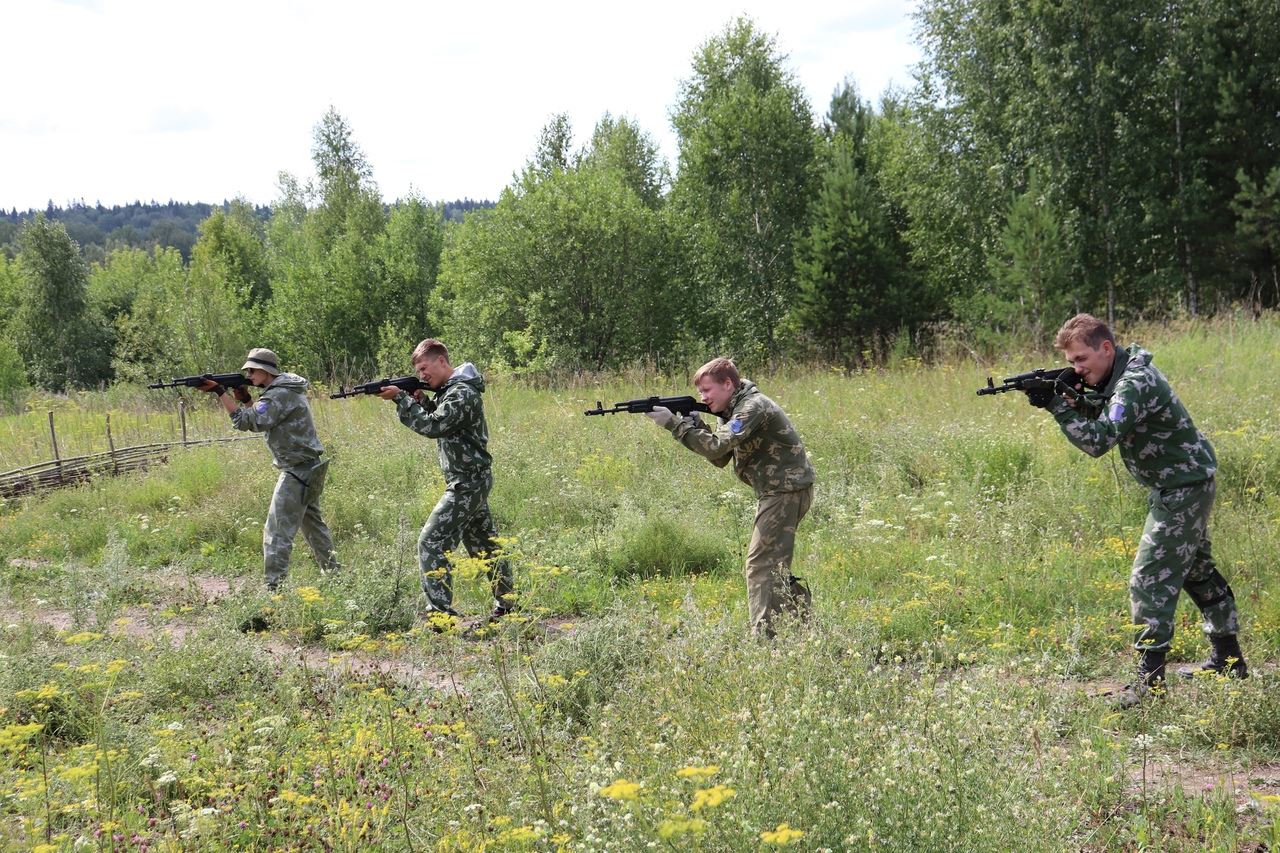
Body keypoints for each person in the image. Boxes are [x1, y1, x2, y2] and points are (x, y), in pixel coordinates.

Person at [1029, 314, 1247, 707]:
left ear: (1106, 348)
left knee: (1149, 578)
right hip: (1183, 483)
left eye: (1081, 359)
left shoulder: (1134, 383)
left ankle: (1150, 686)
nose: (1077, 368)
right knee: (1197, 573)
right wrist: (1073, 397)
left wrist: (1059, 409)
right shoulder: (1121, 376)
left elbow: (1100, 440)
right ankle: (1229, 661)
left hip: (1182, 489)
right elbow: (1105, 412)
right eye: (1072, 362)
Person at [646, 357, 816, 638]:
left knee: (761, 563)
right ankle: (802, 625)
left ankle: (764, 638)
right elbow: (722, 458)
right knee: (772, 564)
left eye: (707, 391)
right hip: (780, 490)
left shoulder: (752, 407)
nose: (703, 397)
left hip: (785, 490)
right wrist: (695, 422)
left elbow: (715, 449)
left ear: (728, 384)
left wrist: (674, 425)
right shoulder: (735, 407)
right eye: (700, 393)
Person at [378, 338, 514, 625]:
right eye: (418, 371)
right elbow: (442, 419)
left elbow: (434, 426)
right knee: (485, 547)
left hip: (467, 482)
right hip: (469, 479)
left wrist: (401, 399)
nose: (422, 375)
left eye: (425, 368)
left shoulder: (462, 392)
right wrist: (420, 401)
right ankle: (509, 604)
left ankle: (441, 618)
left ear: (442, 361)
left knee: (431, 542)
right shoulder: (451, 391)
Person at [199, 348, 339, 591]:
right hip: (309, 468)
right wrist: (245, 400)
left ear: (265, 371)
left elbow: (247, 422)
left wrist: (220, 393)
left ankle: (274, 590)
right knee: (314, 527)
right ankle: (335, 576)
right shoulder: (285, 390)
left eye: (252, 370)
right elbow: (265, 418)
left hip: (296, 471)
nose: (249, 374)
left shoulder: (276, 395)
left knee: (276, 533)